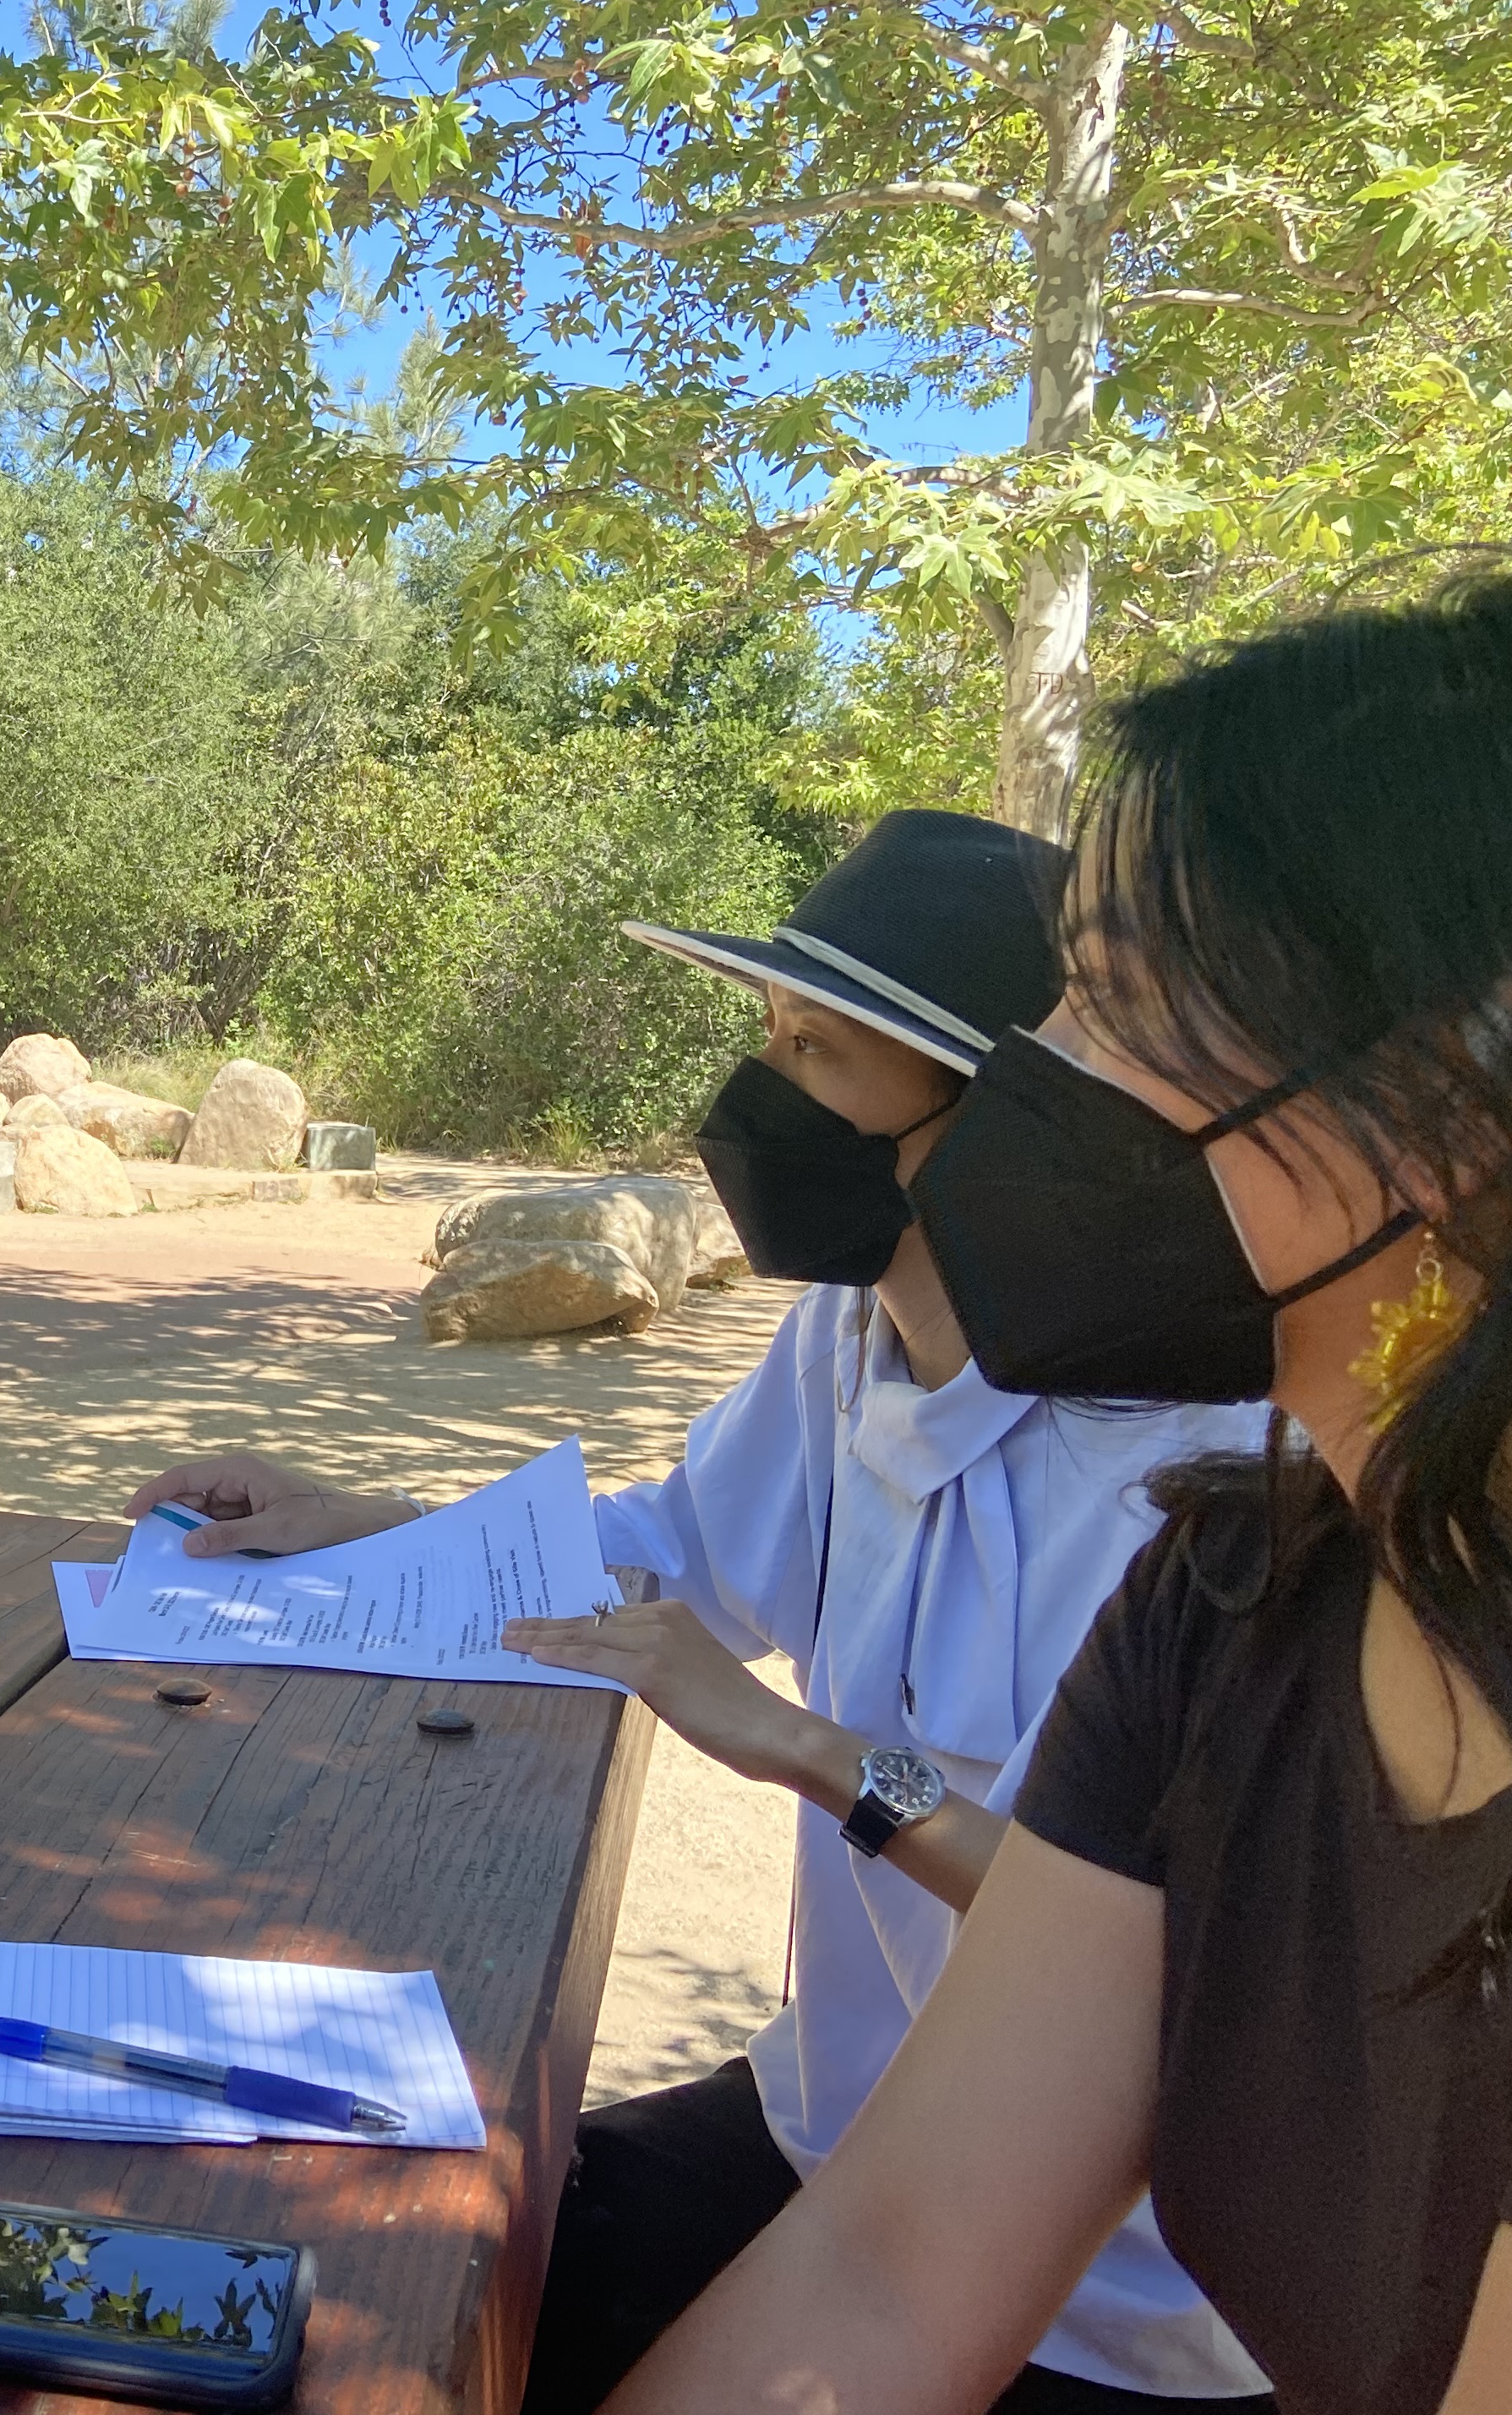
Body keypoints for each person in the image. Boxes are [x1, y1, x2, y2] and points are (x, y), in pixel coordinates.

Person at [598, 562, 1512, 2415]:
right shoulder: (1238, 1604)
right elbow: (891, 2274)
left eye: (1122, 1013)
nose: (1035, 1089)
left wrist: (814, 1756)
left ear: (1478, 1113)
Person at [128, 810, 1272, 2412]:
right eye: (770, 1038)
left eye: (821, 1054)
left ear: (1003, 1116)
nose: (760, 1099)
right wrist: (352, 1525)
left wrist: (812, 1751)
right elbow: (665, 1562)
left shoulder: (1197, 1479)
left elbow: (1157, 1965)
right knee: (413, 2287)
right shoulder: (847, 1341)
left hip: (1106, 2295)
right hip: (832, 2126)